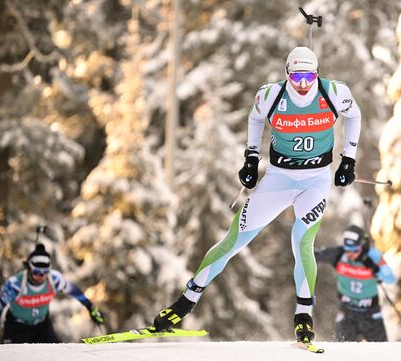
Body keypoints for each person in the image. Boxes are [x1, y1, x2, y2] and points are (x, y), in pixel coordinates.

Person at [152, 46, 362, 343]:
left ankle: (304, 318)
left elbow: (355, 115)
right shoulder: (271, 96)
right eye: (297, 76)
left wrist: (349, 159)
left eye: (309, 76)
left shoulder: (334, 93)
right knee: (233, 239)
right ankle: (184, 303)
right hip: (279, 178)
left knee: (302, 242)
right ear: (287, 74)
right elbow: (254, 119)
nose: (303, 84)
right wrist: (251, 158)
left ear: (317, 73)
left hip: (315, 180)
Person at [0, 244, 105, 343]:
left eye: (44, 272)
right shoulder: (15, 284)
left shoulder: (53, 279)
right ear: (29, 268)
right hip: (16, 329)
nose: (40, 276)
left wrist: (91, 308)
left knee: (57, 355)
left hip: (42, 327)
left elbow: (74, 290)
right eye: (36, 272)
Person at [315, 224, 396, 342]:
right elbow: (316, 255)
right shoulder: (339, 255)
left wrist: (376, 269)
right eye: (347, 250)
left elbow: (390, 278)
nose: (350, 254)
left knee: (382, 352)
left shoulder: (372, 255)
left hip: (371, 315)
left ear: (363, 246)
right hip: (347, 314)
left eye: (355, 250)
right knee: (339, 351)